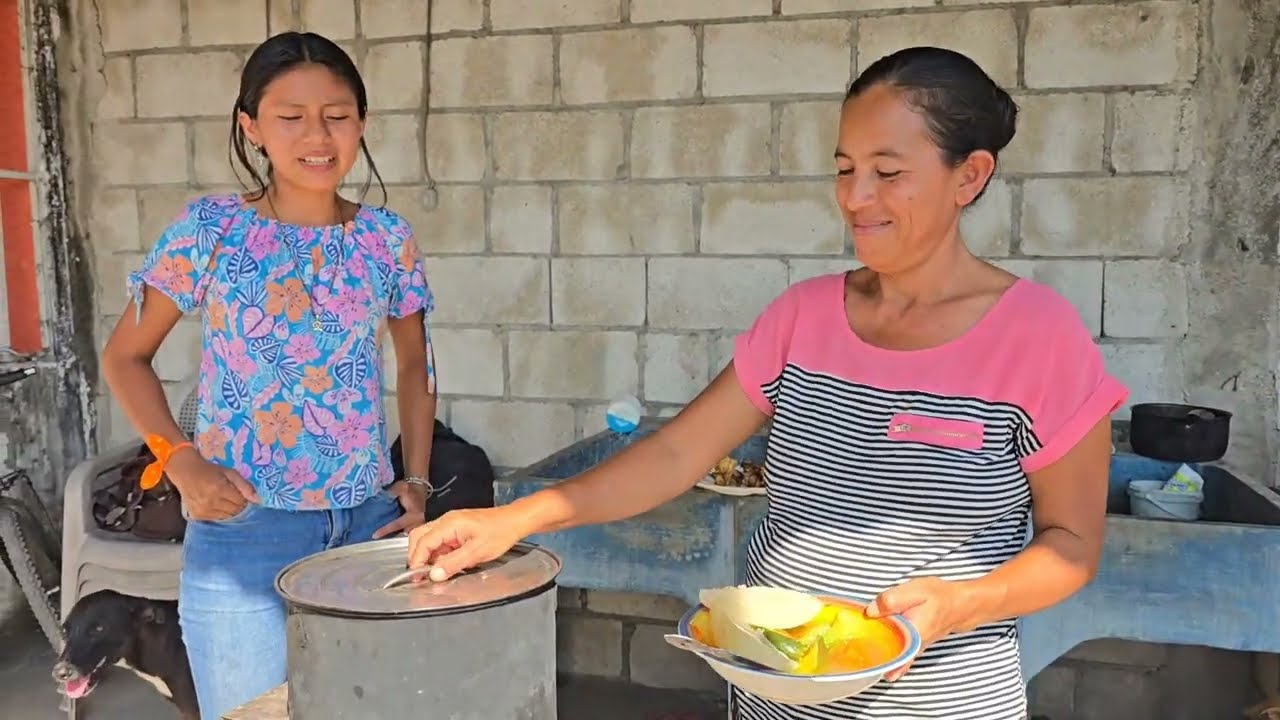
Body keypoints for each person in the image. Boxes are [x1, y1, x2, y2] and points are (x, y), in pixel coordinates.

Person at [407, 46, 1128, 719]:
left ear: (969, 175)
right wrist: (513, 518)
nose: (856, 197)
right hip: (772, 695)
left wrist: (961, 603)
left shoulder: (1038, 337)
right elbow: (673, 456)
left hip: (937, 700)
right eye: (845, 169)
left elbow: (1071, 544)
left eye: (888, 171)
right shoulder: (803, 318)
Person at [100, 31, 438, 719]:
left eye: (337, 115)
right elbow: (124, 357)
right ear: (251, 126)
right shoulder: (211, 231)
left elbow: (414, 366)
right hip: (243, 531)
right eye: (291, 116)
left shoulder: (385, 239)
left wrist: (419, 484)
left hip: (368, 526)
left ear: (362, 122)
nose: (318, 136)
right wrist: (181, 460)